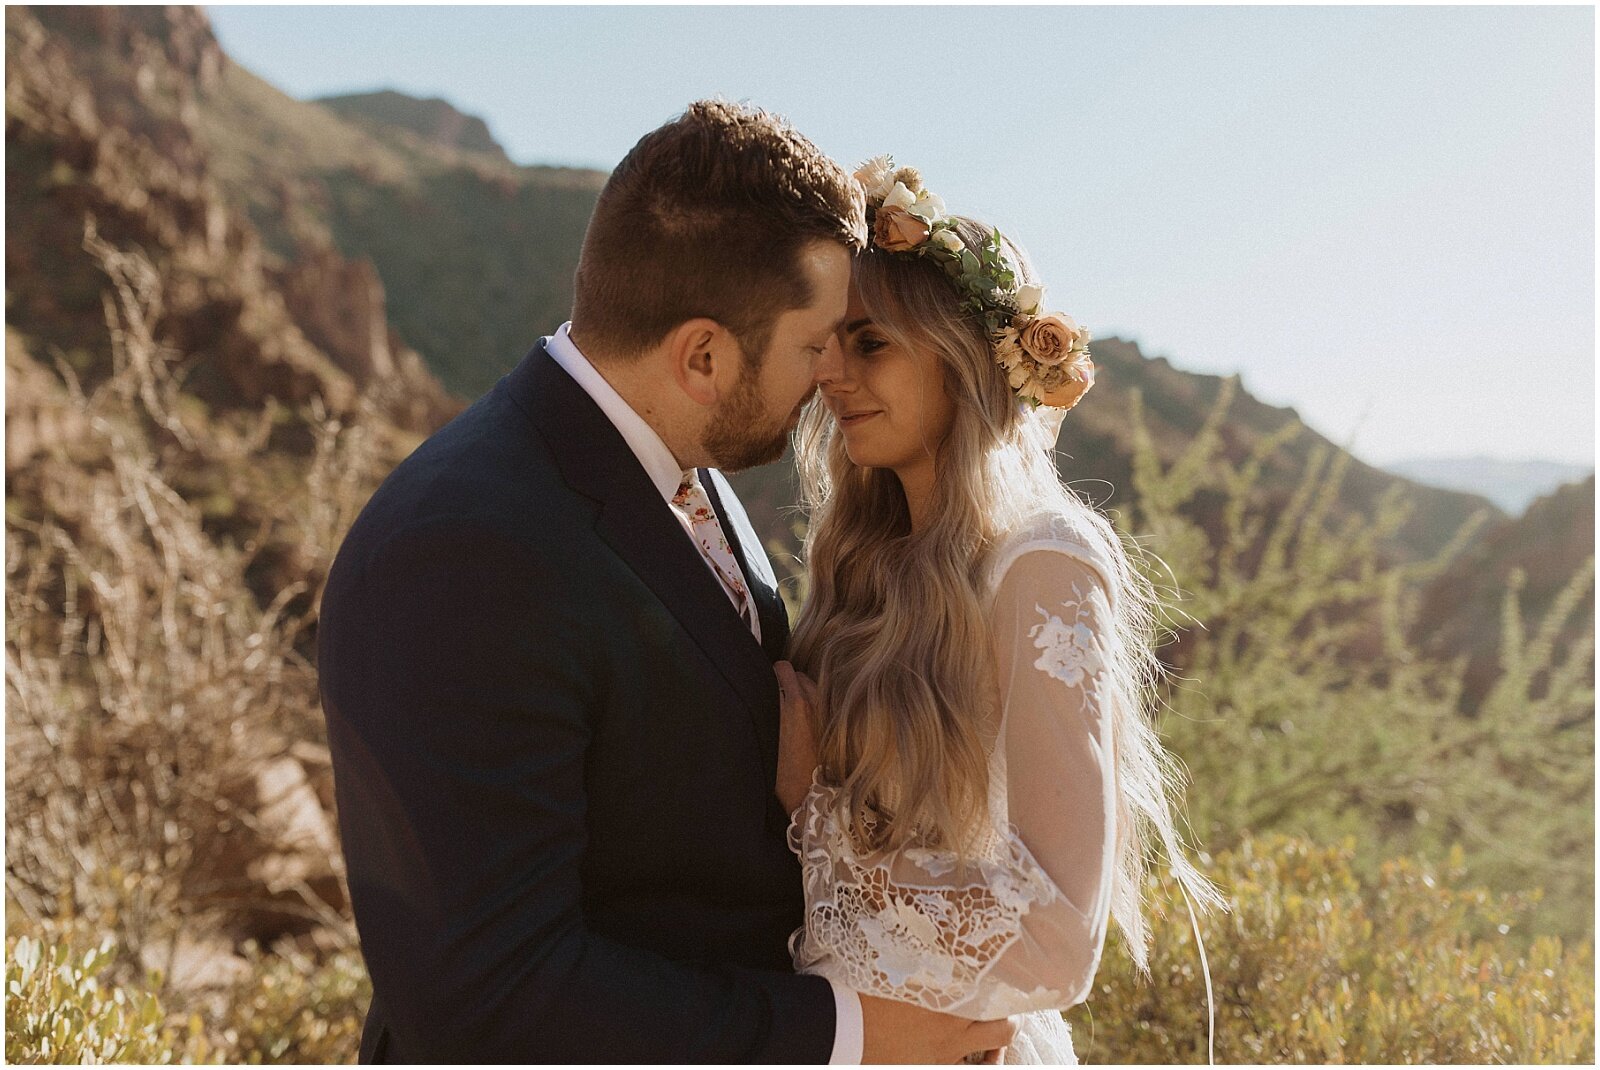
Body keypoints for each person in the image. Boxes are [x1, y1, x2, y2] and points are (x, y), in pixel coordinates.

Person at [317, 105, 1021, 1062]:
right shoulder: (465, 546)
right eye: (814, 345)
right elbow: (486, 997)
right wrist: (846, 1034)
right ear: (703, 356)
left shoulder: (693, 476)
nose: (827, 377)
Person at [775, 158, 1228, 1064]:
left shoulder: (1044, 564)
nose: (831, 374)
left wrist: (808, 808)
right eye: (829, 344)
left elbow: (1061, 937)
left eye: (871, 344)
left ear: (961, 358)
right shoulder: (864, 561)